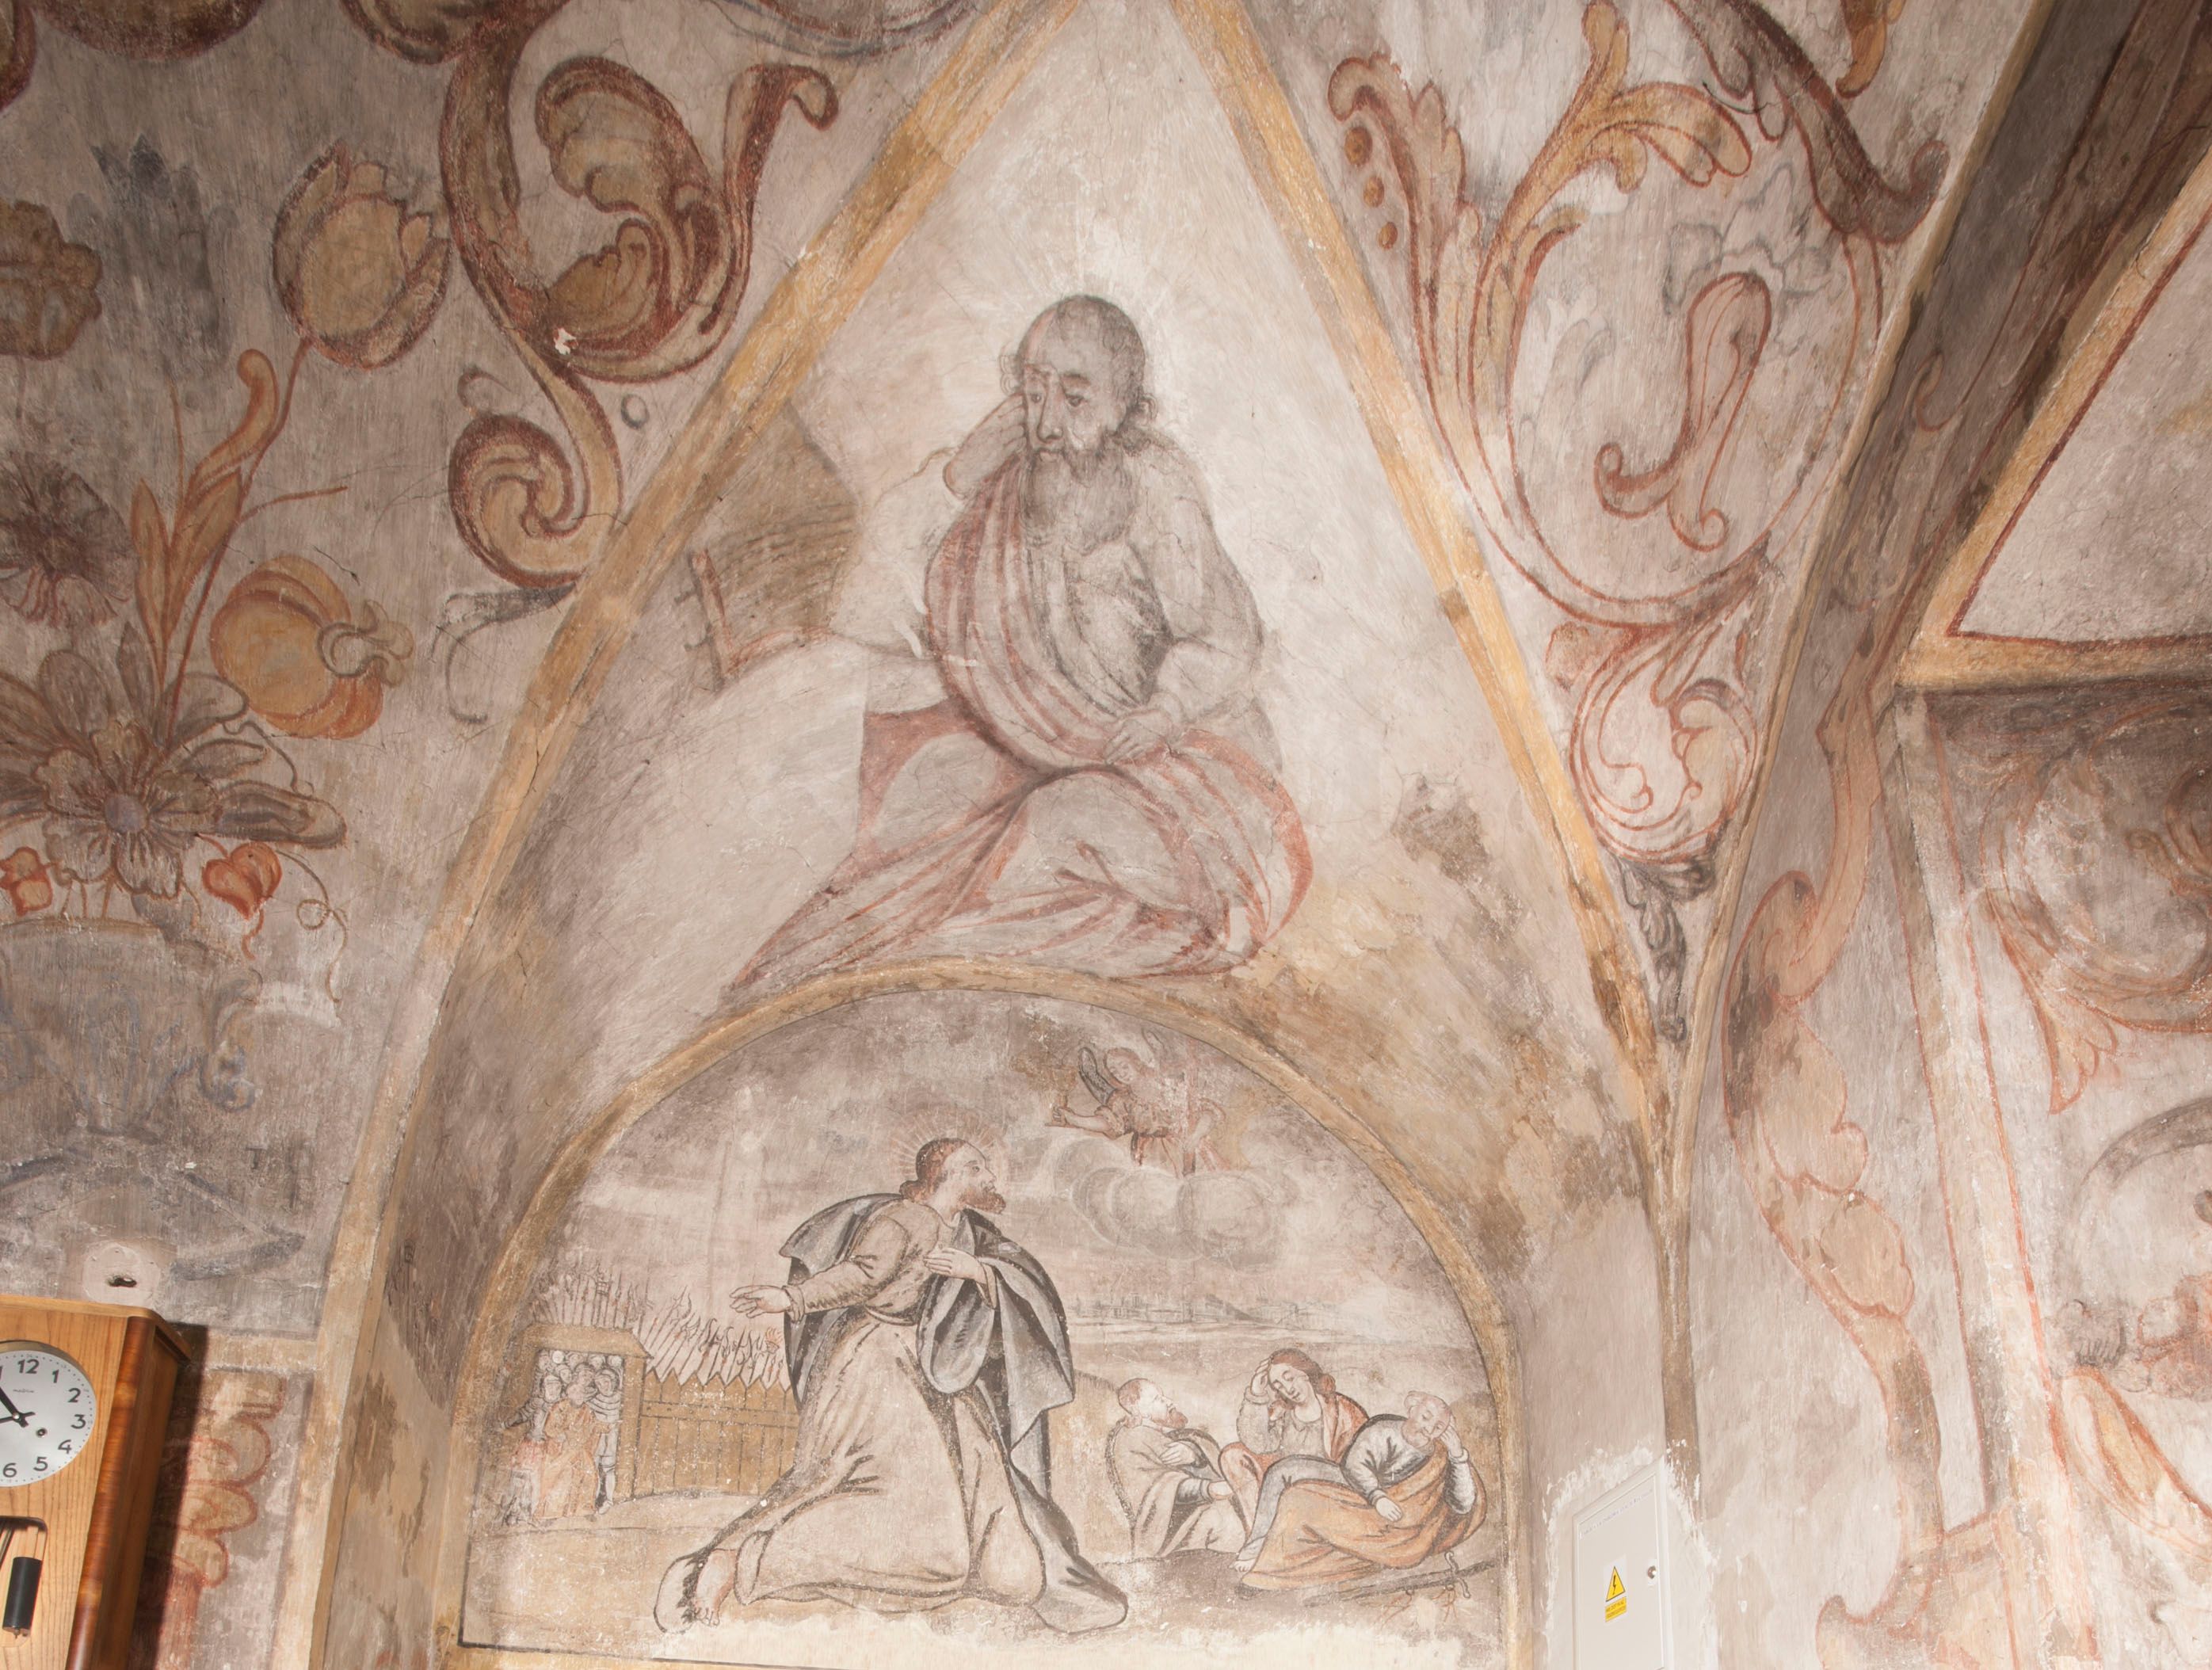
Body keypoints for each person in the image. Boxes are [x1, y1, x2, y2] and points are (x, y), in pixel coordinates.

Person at [734, 295, 1309, 993]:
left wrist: (1165, 710)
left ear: (1125, 406)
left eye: (1075, 399)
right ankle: (868, 948)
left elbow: (1227, 639)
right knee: (916, 796)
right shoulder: (1007, 482)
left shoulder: (1156, 490)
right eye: (1034, 394)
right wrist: (956, 477)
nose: (1046, 425)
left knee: (1049, 827)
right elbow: (863, 613)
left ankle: (935, 952)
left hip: (1185, 766)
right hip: (1053, 751)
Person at [654, 1138, 1124, 1634]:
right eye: (975, 1167)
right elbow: (861, 1275)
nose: (989, 1176)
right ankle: (740, 1562)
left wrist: (980, 1272)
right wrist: (792, 1297)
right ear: (945, 1176)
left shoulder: (972, 1233)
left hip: (940, 1374)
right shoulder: (904, 1219)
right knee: (927, 1540)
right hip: (879, 1371)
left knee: (1015, 1574)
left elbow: (1019, 1285)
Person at [1234, 1393, 1483, 1588]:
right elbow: (1355, 1466)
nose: (1428, 1429)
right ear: (1412, 1410)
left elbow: (1462, 1504)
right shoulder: (1385, 1430)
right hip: (1358, 1488)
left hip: (1392, 1514)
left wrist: (1458, 1457)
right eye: (1426, 1417)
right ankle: (1255, 1548)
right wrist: (1377, 1496)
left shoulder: (1441, 1456)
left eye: (1438, 1427)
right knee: (1284, 1471)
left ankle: (1269, 1561)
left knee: (1298, 1499)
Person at [1217, 1348, 1367, 1525]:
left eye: (1289, 1378)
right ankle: (1258, 1529)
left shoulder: (1342, 1409)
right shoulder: (1282, 1412)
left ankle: (1263, 1533)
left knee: (1288, 1469)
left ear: (1305, 1372)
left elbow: (1361, 1460)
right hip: (1284, 1485)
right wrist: (1256, 1393)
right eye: (1279, 1385)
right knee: (1232, 1455)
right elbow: (1257, 1443)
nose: (1288, 1389)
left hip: (1328, 1488)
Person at [1106, 1378, 1245, 1558]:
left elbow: (1200, 1447)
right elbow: (1157, 1487)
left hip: (1185, 1517)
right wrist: (1207, 1489)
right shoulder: (1134, 1439)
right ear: (1139, 1409)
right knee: (1221, 1519)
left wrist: (1194, 1453)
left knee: (1223, 1516)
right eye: (1158, 1399)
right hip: (1163, 1533)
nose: (1169, 1402)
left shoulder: (1157, 1436)